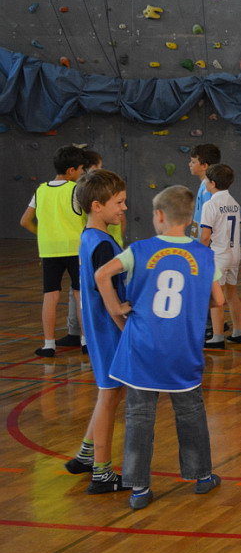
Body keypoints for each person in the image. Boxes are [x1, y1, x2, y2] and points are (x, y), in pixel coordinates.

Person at [94, 185, 224, 510]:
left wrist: (115, 308)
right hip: (183, 349)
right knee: (190, 412)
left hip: (142, 348)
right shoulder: (205, 255)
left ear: (160, 216)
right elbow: (219, 300)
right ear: (190, 219)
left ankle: (139, 488)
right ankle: (202, 476)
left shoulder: (139, 249)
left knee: (139, 415)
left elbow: (102, 274)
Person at [65, 168, 129, 494]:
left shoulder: (89, 237)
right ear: (96, 206)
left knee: (110, 393)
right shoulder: (102, 244)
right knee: (109, 396)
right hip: (109, 331)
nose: (124, 208)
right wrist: (128, 332)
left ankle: (86, 455)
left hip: (98, 329)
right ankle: (102, 473)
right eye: (119, 202)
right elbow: (111, 301)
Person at [20, 145, 87, 357]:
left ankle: (49, 344)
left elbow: (25, 221)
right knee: (79, 295)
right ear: (71, 170)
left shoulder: (40, 190)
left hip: (49, 250)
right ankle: (85, 341)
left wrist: (43, 234)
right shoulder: (76, 190)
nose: (83, 173)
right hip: (75, 248)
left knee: (50, 296)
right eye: (81, 169)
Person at [199, 164, 241, 348]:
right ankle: (238, 332)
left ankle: (217, 337)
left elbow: (205, 236)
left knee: (215, 296)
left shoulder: (210, 204)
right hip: (235, 253)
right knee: (232, 294)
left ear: (212, 183)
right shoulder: (234, 203)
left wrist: (199, 255)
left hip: (219, 254)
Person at [83, 149, 125, 247]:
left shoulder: (82, 192)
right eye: (100, 166)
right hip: (108, 243)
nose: (124, 207)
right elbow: (122, 218)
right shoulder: (105, 189)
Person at [187, 144, 221, 238]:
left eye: (193, 162)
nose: (189, 164)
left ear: (204, 166)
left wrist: (204, 244)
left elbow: (211, 223)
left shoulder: (208, 190)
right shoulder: (205, 185)